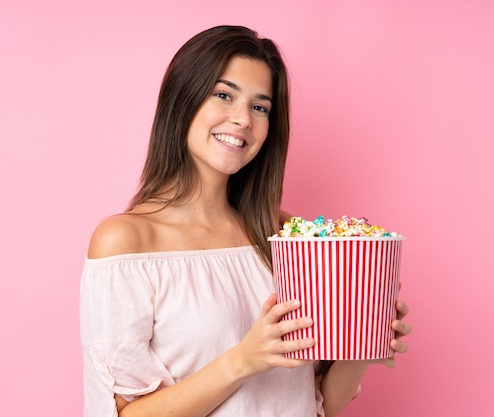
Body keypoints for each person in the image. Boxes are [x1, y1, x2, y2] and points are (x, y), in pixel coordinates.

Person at [80, 25, 411, 417]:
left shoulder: (286, 236)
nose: (243, 120)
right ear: (181, 100)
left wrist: (366, 339)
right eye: (224, 95)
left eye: (260, 107)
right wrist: (245, 360)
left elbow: (319, 402)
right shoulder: (125, 241)